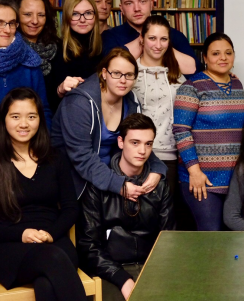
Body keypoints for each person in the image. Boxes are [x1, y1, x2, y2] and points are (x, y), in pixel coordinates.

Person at [0, 88, 94, 301]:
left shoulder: (55, 159)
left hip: (53, 239)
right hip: (10, 249)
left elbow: (71, 208)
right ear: (3, 120)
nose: (24, 123)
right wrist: (23, 234)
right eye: (15, 116)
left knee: (47, 283)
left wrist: (50, 234)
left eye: (31, 116)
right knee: (55, 261)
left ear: (40, 119)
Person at [77, 113, 173, 301]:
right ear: (120, 142)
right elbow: (88, 247)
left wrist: (156, 275)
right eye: (135, 143)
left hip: (152, 269)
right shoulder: (99, 185)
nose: (142, 151)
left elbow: (169, 239)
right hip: (111, 271)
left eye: (148, 144)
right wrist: (122, 279)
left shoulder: (159, 185)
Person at [51, 48, 166, 202]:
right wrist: (119, 185)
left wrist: (157, 168)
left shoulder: (131, 101)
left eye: (129, 75)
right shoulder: (79, 103)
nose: (123, 80)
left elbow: (139, 140)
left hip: (110, 174)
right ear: (104, 73)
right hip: (74, 179)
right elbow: (81, 157)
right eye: (116, 73)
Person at [0, 0, 52, 204]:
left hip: (27, 162)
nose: (6, 29)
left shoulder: (30, 63)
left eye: (11, 23)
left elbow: (44, 113)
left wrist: (41, 154)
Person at [173, 33, 244, 231]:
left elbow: (240, 129)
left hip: (234, 180)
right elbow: (181, 130)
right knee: (210, 238)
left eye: (228, 53)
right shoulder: (191, 87)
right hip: (203, 179)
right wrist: (194, 171)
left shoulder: (237, 85)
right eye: (216, 53)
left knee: (232, 240)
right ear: (205, 58)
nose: (223, 58)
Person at [131, 15, 196, 230]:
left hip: (174, 157)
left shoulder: (178, 74)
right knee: (143, 219)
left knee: (171, 221)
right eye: (152, 38)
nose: (158, 45)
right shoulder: (131, 73)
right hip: (142, 157)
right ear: (141, 38)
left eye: (164, 39)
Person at [101, 0, 199, 67]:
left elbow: (197, 71)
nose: (137, 8)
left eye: (142, 1)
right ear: (121, 9)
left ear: (151, 4)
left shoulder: (174, 35)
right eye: (129, 3)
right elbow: (110, 67)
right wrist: (143, 40)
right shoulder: (110, 36)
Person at [44, 0, 105, 113]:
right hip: (68, 116)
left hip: (100, 116)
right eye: (75, 14)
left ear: (95, 16)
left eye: (88, 13)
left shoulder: (104, 47)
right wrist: (60, 89)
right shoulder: (55, 49)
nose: (82, 20)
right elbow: (48, 100)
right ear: (67, 17)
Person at [11, 0, 60, 78]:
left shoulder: (58, 49)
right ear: (15, 16)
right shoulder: (8, 51)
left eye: (41, 15)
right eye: (27, 14)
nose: (35, 21)